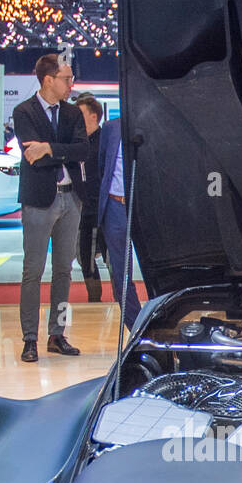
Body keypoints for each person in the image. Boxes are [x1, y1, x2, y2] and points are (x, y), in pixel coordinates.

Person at [12, 53, 89, 362]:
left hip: (72, 197)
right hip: (38, 199)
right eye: (66, 78)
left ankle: (57, 334)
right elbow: (34, 155)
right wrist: (59, 152)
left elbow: (82, 150)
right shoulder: (24, 111)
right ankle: (29, 338)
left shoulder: (72, 113)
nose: (71, 84)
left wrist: (50, 148)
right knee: (32, 271)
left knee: (64, 271)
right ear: (48, 80)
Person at [97, 115, 142, 330]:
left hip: (144, 207)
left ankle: (160, 321)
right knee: (121, 272)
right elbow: (102, 165)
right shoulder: (110, 128)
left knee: (158, 270)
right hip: (115, 206)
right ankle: (135, 327)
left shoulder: (150, 124)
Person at [73, 92, 105, 303]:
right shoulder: (78, 142)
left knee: (111, 259)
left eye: (81, 113)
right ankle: (94, 299)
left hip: (103, 209)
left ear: (94, 116)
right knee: (85, 257)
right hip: (83, 209)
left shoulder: (106, 141)